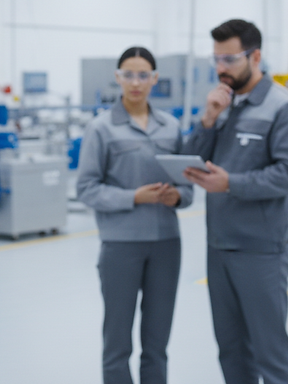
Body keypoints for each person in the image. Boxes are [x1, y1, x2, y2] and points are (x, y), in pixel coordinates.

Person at [181, 19, 288, 384]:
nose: (221, 69)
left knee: (270, 352)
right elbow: (190, 162)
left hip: (260, 250)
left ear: (255, 56)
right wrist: (207, 119)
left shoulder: (285, 108)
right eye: (216, 60)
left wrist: (230, 184)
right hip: (219, 247)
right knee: (231, 350)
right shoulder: (223, 105)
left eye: (230, 59)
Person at [77, 46, 193, 384]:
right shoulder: (101, 129)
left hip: (166, 244)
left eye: (144, 75)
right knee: (117, 343)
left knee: (157, 343)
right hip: (120, 246)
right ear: (118, 78)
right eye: (129, 74)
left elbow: (188, 187)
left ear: (155, 79)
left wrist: (177, 196)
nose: (136, 82)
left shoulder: (170, 128)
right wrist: (134, 197)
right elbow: (86, 188)